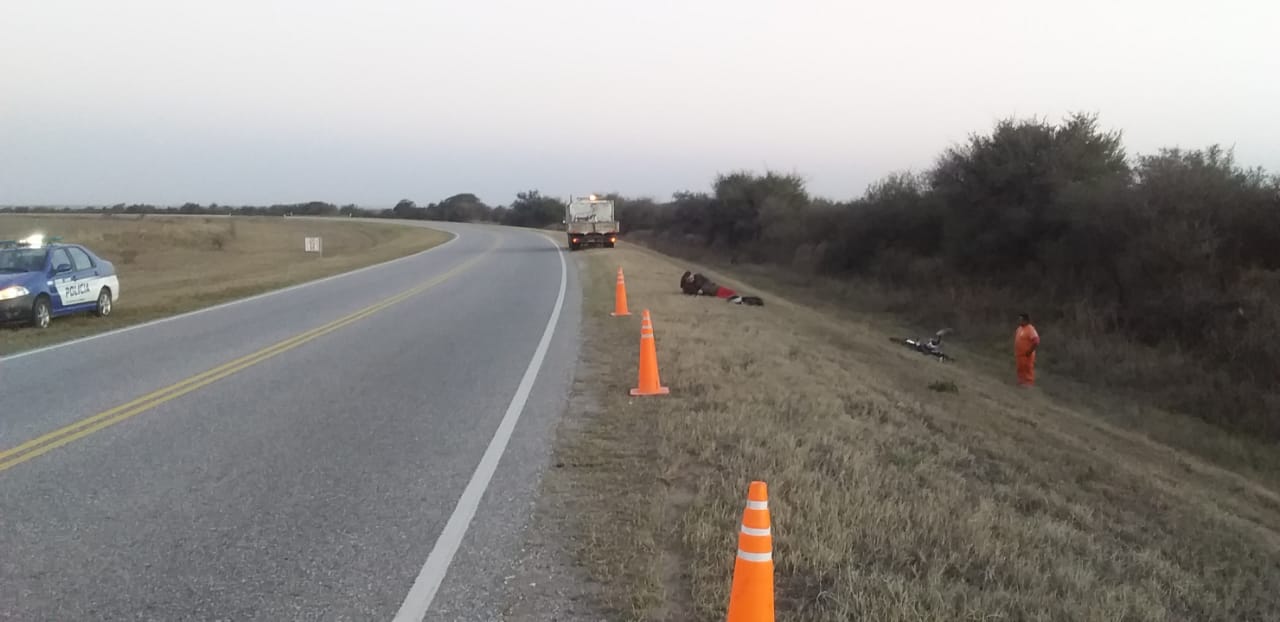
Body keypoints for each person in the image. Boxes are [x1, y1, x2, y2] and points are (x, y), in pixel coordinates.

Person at [680, 271, 763, 306]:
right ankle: (750, 301)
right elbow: (691, 291)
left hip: (715, 288)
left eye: (690, 277)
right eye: (689, 279)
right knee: (731, 296)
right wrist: (698, 291)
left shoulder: (698, 276)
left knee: (732, 295)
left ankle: (751, 301)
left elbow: (707, 281)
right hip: (714, 291)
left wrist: (702, 289)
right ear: (687, 281)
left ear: (692, 275)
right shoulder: (690, 286)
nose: (691, 278)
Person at [1015, 313, 1040, 386]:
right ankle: (1021, 382)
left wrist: (1030, 351)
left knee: (1027, 369)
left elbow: (1036, 341)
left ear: (1025, 320)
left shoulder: (1030, 329)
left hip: (1027, 355)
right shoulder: (1019, 328)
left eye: (1020, 320)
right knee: (1020, 368)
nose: (1019, 321)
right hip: (1019, 354)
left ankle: (1028, 383)